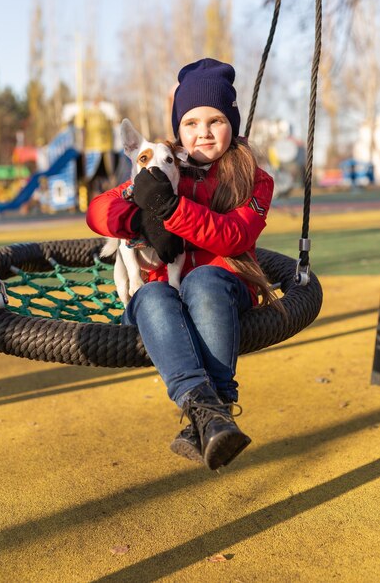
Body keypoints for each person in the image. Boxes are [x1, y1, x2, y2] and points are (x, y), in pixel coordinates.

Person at [86, 58, 276, 471]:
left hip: (225, 289)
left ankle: (211, 404)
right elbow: (99, 211)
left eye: (215, 121)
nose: (203, 132)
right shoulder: (162, 165)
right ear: (178, 130)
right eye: (190, 123)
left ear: (233, 124)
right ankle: (212, 414)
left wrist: (169, 209)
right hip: (165, 296)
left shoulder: (254, 179)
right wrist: (140, 214)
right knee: (151, 294)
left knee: (206, 279)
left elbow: (234, 236)